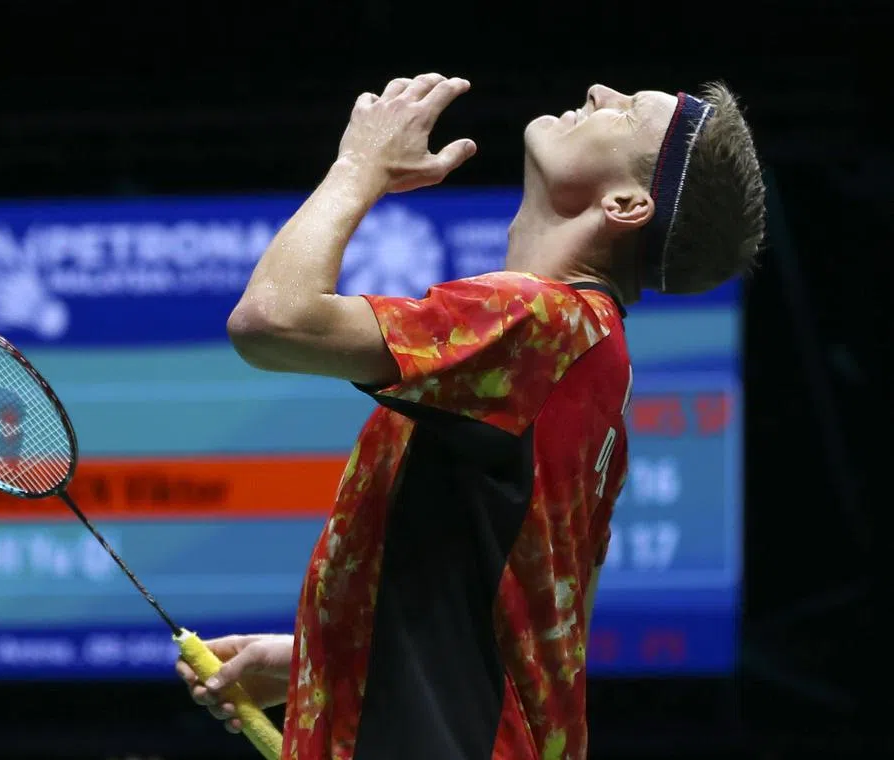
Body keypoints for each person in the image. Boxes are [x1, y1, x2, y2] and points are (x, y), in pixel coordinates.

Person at [176, 74, 765, 759]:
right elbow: (534, 623)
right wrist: (324, 658)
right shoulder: (598, 363)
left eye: (629, 112)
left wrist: (359, 167)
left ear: (626, 204)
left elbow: (271, 321)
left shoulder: (541, 321)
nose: (601, 91)